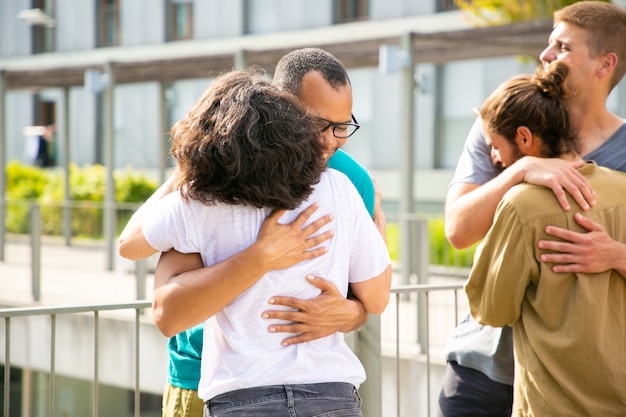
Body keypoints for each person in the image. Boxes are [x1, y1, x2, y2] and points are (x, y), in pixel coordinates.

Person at [119, 48, 386, 417]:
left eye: (342, 127)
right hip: (216, 377)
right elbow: (375, 293)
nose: (330, 141)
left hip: (232, 387)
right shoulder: (342, 184)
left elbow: (362, 300)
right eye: (317, 123)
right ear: (283, 108)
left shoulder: (209, 193)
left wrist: (350, 313)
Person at [439, 2, 626, 416]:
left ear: (605, 64)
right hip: (482, 371)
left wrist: (615, 255)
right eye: (548, 43)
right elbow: (457, 229)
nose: (546, 55)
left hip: (576, 387)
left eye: (562, 46)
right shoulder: (503, 120)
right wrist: (519, 171)